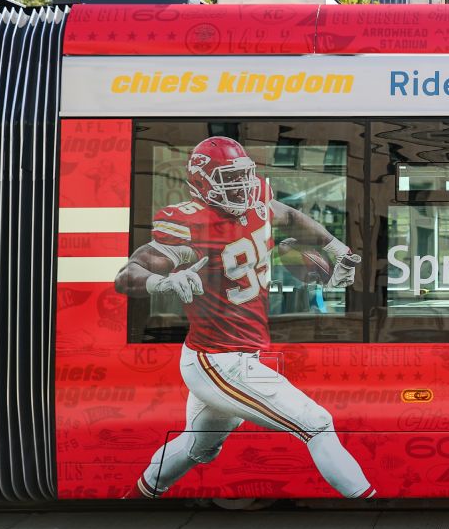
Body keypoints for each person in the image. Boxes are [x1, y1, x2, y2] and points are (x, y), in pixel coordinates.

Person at [115, 136, 375, 499]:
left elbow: (291, 216)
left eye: (243, 176)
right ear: (204, 182)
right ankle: (367, 501)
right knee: (317, 424)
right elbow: (129, 273)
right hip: (217, 360)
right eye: (229, 178)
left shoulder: (258, 205)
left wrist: (335, 247)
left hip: (238, 355)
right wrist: (163, 281)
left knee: (198, 448)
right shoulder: (190, 224)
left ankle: (138, 499)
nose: (241, 187)